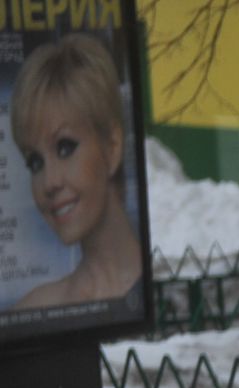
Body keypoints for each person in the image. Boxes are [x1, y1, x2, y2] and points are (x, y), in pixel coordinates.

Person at [8, 33, 143, 312]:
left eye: (65, 148)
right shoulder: (32, 310)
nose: (49, 182)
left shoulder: (156, 296)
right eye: (35, 162)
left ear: (113, 148)